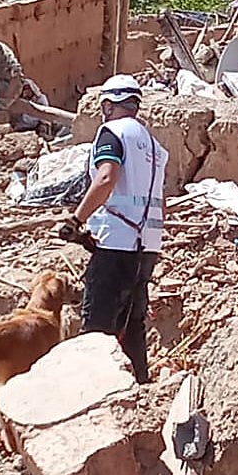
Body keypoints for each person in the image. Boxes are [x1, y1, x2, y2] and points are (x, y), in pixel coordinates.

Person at [57, 75, 168, 384]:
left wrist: (77, 220)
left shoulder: (112, 133)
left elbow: (106, 178)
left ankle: (91, 390)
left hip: (117, 243)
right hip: (147, 245)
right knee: (132, 322)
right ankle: (140, 386)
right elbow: (159, 198)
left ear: (107, 105)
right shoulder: (154, 145)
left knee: (97, 325)